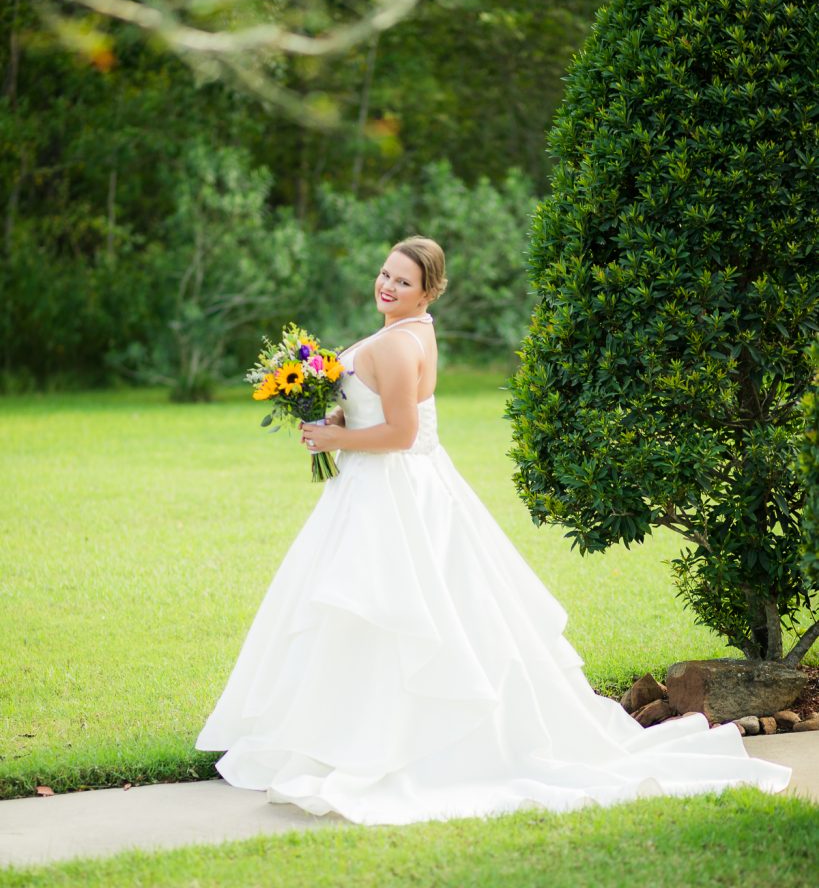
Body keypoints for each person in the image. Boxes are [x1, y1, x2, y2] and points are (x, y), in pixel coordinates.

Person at [196, 235, 791, 826]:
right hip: (374, 489)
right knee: (363, 613)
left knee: (395, 612)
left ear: (429, 290)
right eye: (384, 274)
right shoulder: (405, 332)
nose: (387, 285)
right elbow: (375, 406)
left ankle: (389, 742)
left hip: (391, 493)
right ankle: (340, 730)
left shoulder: (402, 344)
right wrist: (335, 417)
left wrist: (334, 439)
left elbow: (402, 433)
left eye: (403, 281)